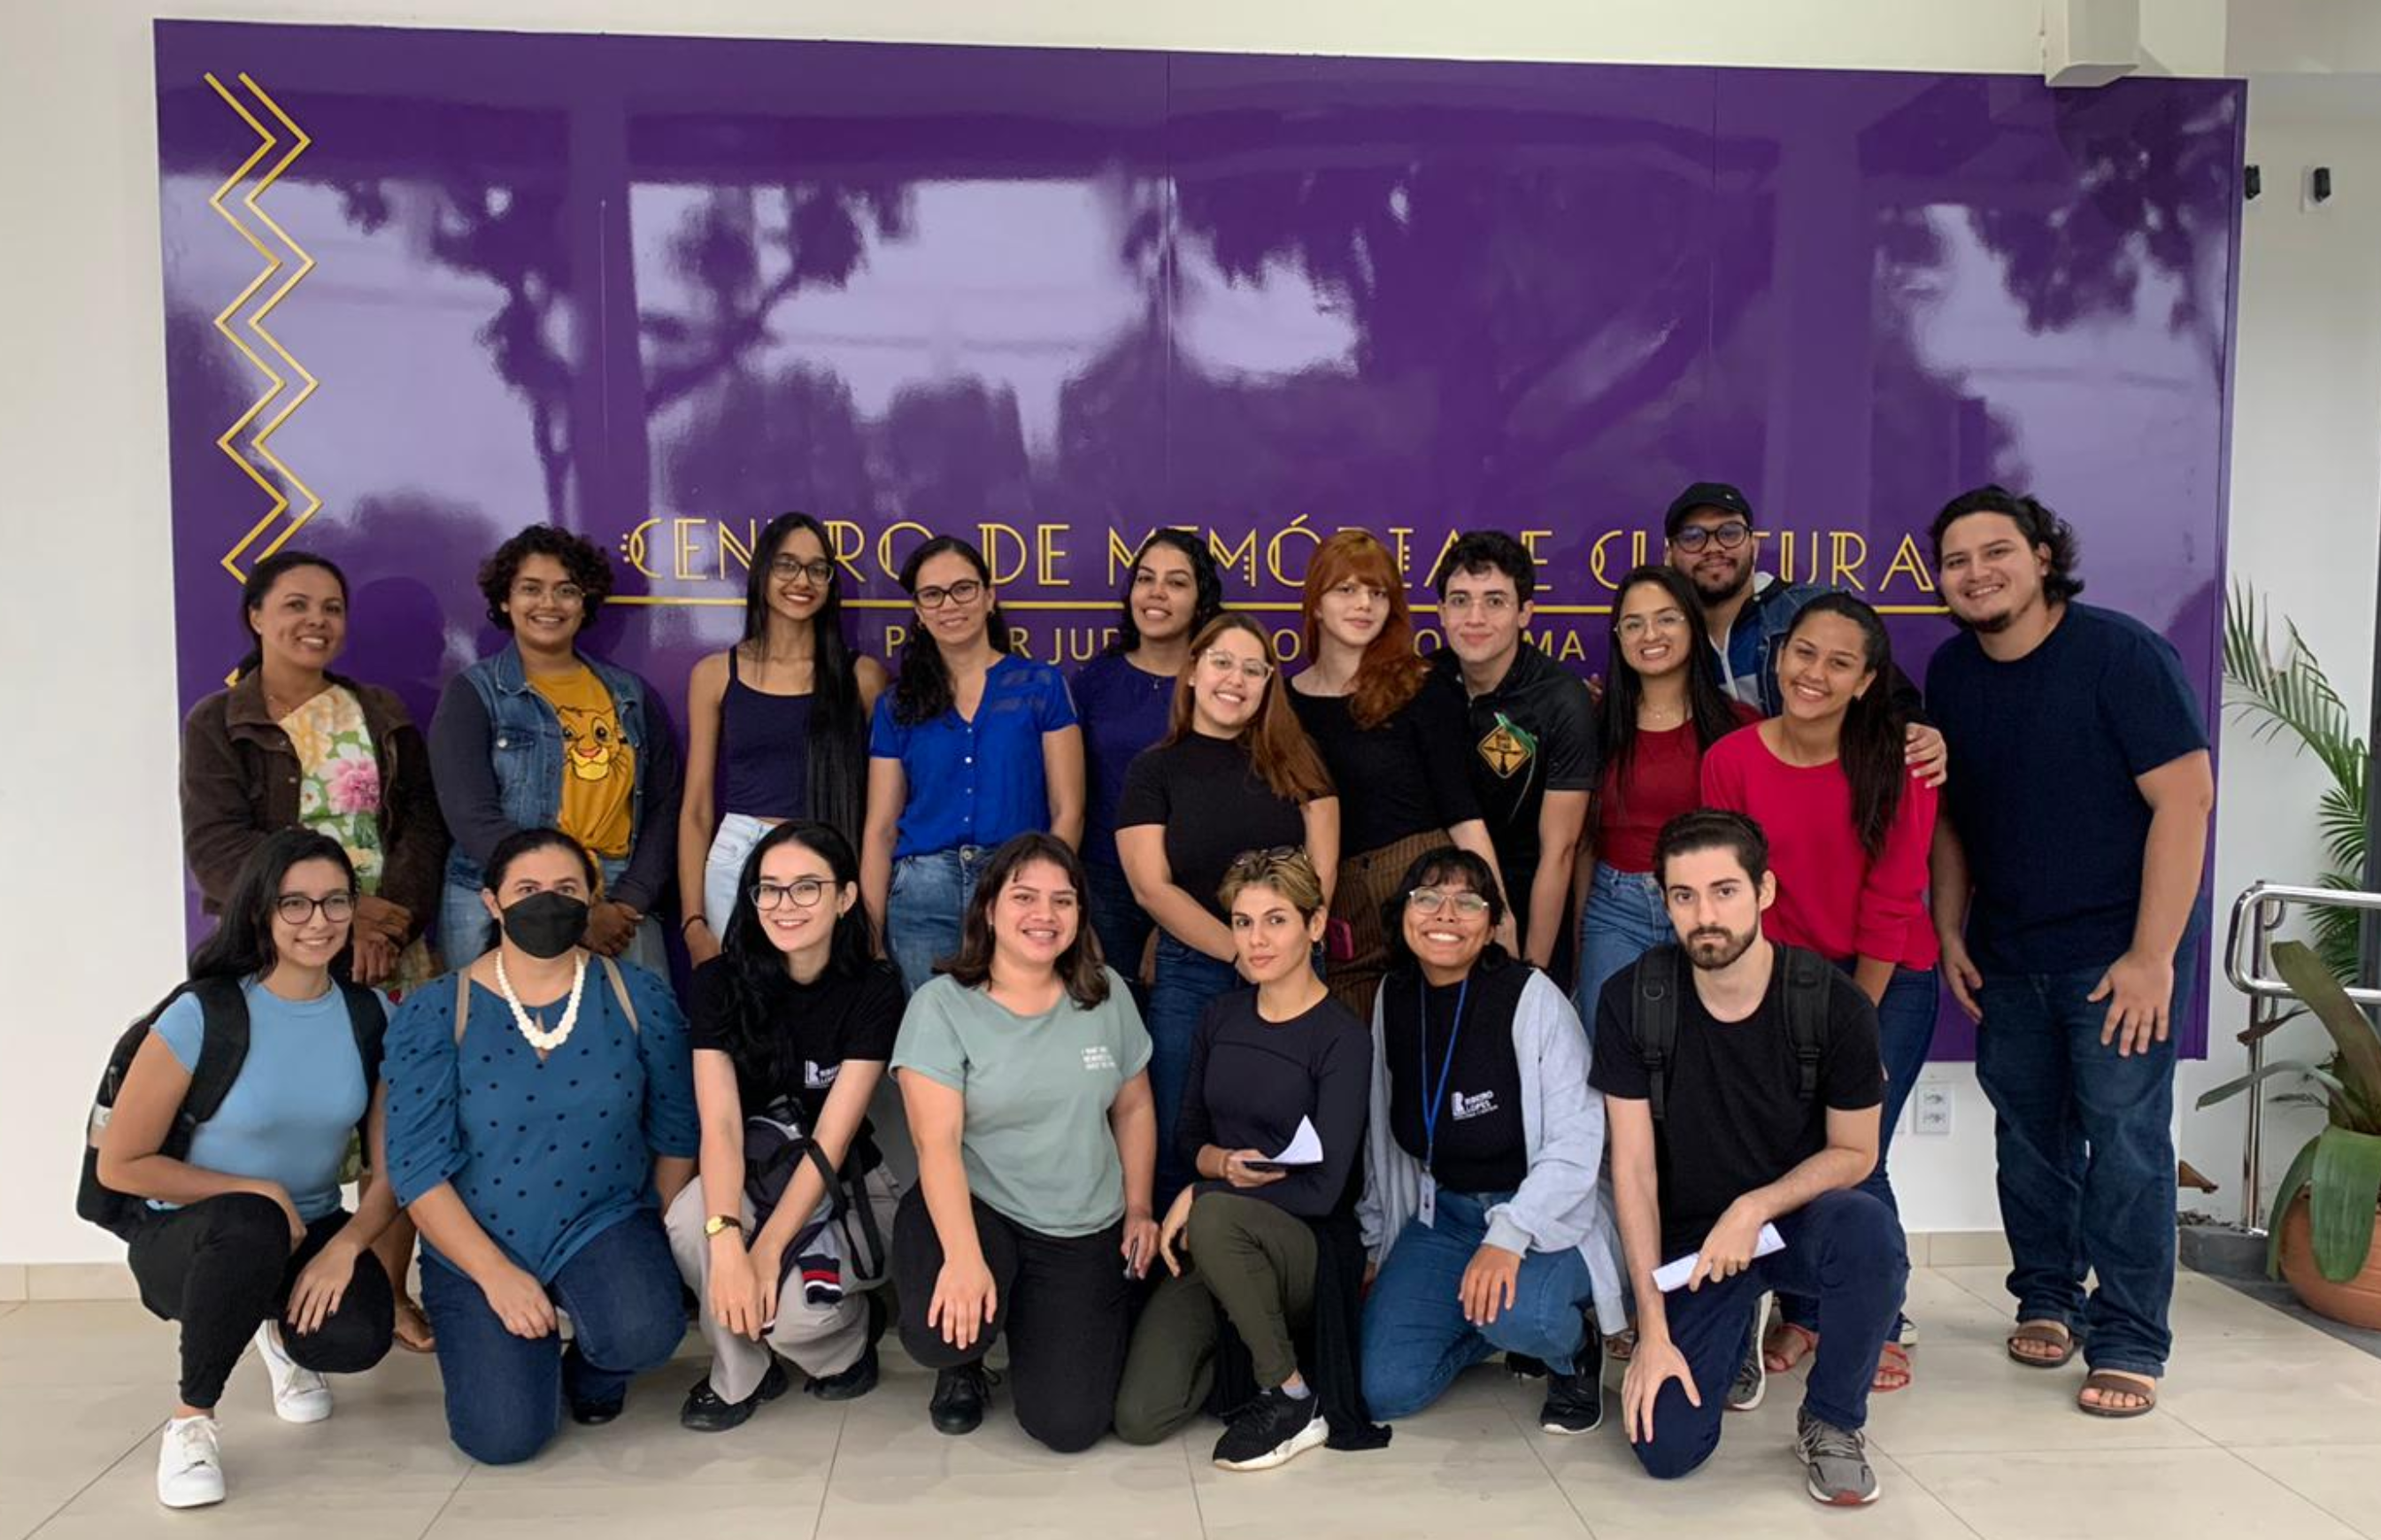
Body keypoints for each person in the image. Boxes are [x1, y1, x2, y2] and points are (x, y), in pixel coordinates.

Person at [1925, 487, 2212, 1419]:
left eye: (1994, 551)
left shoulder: (2118, 656)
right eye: (1957, 560)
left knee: (2126, 1148)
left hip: (2113, 957)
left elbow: (2184, 800)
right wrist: (1947, 928)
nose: (1976, 573)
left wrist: (2150, 955)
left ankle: (2128, 1336)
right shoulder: (1951, 675)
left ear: (2041, 556)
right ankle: (2045, 1293)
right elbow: (1953, 821)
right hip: (2008, 953)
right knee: (2028, 1145)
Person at [179, 550, 449, 1352]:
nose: (315, 622)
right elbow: (219, 847)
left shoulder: (379, 712)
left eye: (331, 608)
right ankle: (265, 1289)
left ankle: (390, 1290)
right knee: (284, 1127)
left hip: (386, 954)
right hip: (278, 955)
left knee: (392, 1131)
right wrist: (338, 916)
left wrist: (386, 922)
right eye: (295, 605)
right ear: (256, 616)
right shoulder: (220, 722)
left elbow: (422, 828)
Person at [1592, 811, 1903, 1505]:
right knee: (1666, 1452)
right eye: (1684, 895)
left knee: (1869, 1232)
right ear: (1663, 900)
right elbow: (1634, 1175)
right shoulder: (1633, 1001)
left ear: (1765, 890)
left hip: (1789, 1223)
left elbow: (1856, 1152)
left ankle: (1832, 1421)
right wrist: (1652, 1330)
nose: (1705, 915)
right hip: (1690, 1248)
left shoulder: (1833, 1004)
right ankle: (1730, 1330)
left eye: (1725, 891)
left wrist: (1755, 1205)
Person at [97, 830, 397, 1509]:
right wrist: (255, 1188)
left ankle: (277, 1333)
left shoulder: (368, 1015)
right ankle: (190, 1423)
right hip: (193, 1241)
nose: (317, 922)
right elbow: (121, 1164)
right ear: (260, 910)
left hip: (309, 1226)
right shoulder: (204, 1013)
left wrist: (347, 1246)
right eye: (294, 904)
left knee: (354, 1338)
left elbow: (389, 1169)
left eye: (334, 902)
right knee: (252, 1220)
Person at [382, 828, 698, 1465]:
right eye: (527, 890)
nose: (545, 903)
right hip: (478, 1237)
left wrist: (648, 1241)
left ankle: (595, 1366)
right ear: (493, 903)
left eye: (564, 889)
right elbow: (415, 1167)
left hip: (602, 1218)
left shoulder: (639, 998)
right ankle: (519, 1361)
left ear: (590, 899)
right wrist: (494, 1275)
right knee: (503, 1439)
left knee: (645, 1329)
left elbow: (676, 1131)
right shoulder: (438, 1011)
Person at [1700, 594, 1938, 1397]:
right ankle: (1802, 1312)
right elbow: (1729, 890)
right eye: (1804, 653)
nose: (1815, 674)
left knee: (1853, 1154)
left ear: (1869, 681)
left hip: (1886, 976)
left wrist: (1855, 1025)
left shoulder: (1902, 763)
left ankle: (1876, 1319)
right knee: (1783, 1144)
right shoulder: (1730, 759)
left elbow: (1895, 897)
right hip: (1780, 981)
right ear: (1778, 656)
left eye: (1840, 662)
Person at [888, 833, 1158, 1451]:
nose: (1045, 915)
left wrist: (1139, 1207)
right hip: (981, 1209)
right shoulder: (941, 1006)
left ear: (1080, 916)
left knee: (1069, 1426)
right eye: (1025, 897)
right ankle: (965, 1363)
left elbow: (1136, 1104)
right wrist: (960, 1259)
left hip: (1079, 1224)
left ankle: (1026, 1319)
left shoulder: (1106, 993)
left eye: (1063, 902)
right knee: (945, 1334)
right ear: (988, 908)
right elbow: (937, 1144)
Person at [1113, 850, 1381, 1470]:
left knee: (1213, 1220)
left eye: (1276, 920)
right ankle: (1240, 1345)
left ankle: (1291, 1396)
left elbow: (1324, 1191)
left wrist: (1206, 1196)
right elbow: (1188, 1139)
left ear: (1315, 926)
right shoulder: (1220, 1016)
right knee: (1140, 1417)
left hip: (1304, 1246)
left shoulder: (1342, 1037)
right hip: (1218, 1240)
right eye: (1242, 922)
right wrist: (1217, 1165)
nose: (1256, 940)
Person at [1358, 846, 1622, 1435]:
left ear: (1493, 923)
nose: (1445, 915)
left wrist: (1508, 1236)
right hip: (1447, 1220)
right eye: (1427, 897)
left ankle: (1569, 1348)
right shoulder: (1393, 997)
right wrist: (1377, 1245)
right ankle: (1485, 1322)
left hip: (1543, 1222)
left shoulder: (1530, 998)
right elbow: (1383, 1129)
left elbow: (1579, 1139)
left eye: (1467, 902)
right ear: (1403, 912)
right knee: (1383, 1389)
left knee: (1515, 1313)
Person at [665, 820, 905, 1431]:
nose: (784, 905)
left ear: (846, 896)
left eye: (806, 888)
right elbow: (719, 1125)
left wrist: (766, 1254)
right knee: (692, 1223)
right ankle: (741, 1372)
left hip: (843, 1183)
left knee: (800, 1316)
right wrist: (728, 1243)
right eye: (768, 889)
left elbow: (833, 1140)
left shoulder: (874, 989)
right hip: (747, 1173)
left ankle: (849, 1344)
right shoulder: (718, 983)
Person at [1116, 613, 1338, 1203]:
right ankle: (1172, 1269)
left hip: (1291, 971)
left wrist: (1275, 953)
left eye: (1252, 669)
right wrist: (1241, 951)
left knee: (1293, 1131)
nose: (1234, 679)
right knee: (1177, 1133)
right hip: (1191, 971)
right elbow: (1150, 887)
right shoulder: (1154, 770)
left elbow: (1320, 875)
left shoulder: (1300, 762)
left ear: (1269, 684)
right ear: (1192, 672)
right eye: (1221, 662)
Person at [430, 525, 682, 974]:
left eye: (566, 590)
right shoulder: (475, 692)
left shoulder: (630, 694)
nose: (549, 604)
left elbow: (664, 807)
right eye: (531, 589)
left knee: (639, 1036)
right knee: (495, 1039)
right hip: (502, 897)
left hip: (617, 904)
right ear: (505, 600)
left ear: (584, 603)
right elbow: (472, 816)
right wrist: (561, 900)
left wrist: (627, 903)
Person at [1290, 531, 1511, 1020]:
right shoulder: (1284, 704)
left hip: (1427, 890)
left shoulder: (1424, 688)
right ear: (1316, 604)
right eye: (1346, 590)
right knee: (1358, 1060)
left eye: (1378, 592)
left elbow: (1463, 813)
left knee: (1442, 1040)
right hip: (1337, 901)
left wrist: (1500, 912)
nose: (1364, 604)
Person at [863, 537, 1085, 994]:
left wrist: (1045, 895)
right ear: (919, 612)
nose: (950, 605)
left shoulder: (1041, 686)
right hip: (922, 893)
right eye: (933, 594)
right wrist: (870, 932)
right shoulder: (897, 705)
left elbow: (1068, 810)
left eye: (963, 588)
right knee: (931, 1042)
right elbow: (881, 828)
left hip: (1015, 886)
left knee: (1015, 1036)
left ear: (989, 596)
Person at [677, 512, 887, 966]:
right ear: (763, 573)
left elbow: (883, 807)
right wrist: (693, 921)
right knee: (743, 1019)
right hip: (738, 858)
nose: (802, 580)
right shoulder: (715, 673)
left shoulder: (862, 677)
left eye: (817, 568)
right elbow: (696, 808)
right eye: (787, 564)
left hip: (829, 859)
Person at [1662, 481, 1945, 781]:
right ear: (1669, 554)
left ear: (1753, 545)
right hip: (1727, 804)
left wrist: (1919, 733)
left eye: (1730, 533)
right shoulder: (1663, 635)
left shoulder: (1812, 609)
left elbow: (1893, 702)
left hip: (1824, 795)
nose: (1714, 547)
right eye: (1693, 537)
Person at [1576, 566, 1758, 1020]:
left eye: (1666, 618)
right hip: (1615, 912)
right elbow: (1581, 843)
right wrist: (1579, 937)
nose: (1649, 634)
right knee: (1613, 1054)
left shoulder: (1740, 727)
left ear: (1693, 626)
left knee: (1704, 1062)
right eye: (1633, 624)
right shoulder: (1595, 725)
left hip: (1709, 910)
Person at [1428, 532, 1597, 983]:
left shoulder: (1560, 700)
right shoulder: (1426, 682)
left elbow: (1559, 851)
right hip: (1439, 902)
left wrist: (1531, 973)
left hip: (1530, 895)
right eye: (1460, 601)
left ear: (1525, 612)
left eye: (1495, 602)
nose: (1475, 618)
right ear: (1441, 612)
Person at [1074, 530, 1227, 998]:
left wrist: (1173, 917)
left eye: (1177, 582)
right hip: (1103, 888)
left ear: (1201, 601)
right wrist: (1078, 912)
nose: (1157, 593)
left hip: (1197, 889)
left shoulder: (1221, 686)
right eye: (1146, 579)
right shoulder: (1094, 681)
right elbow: (1068, 797)